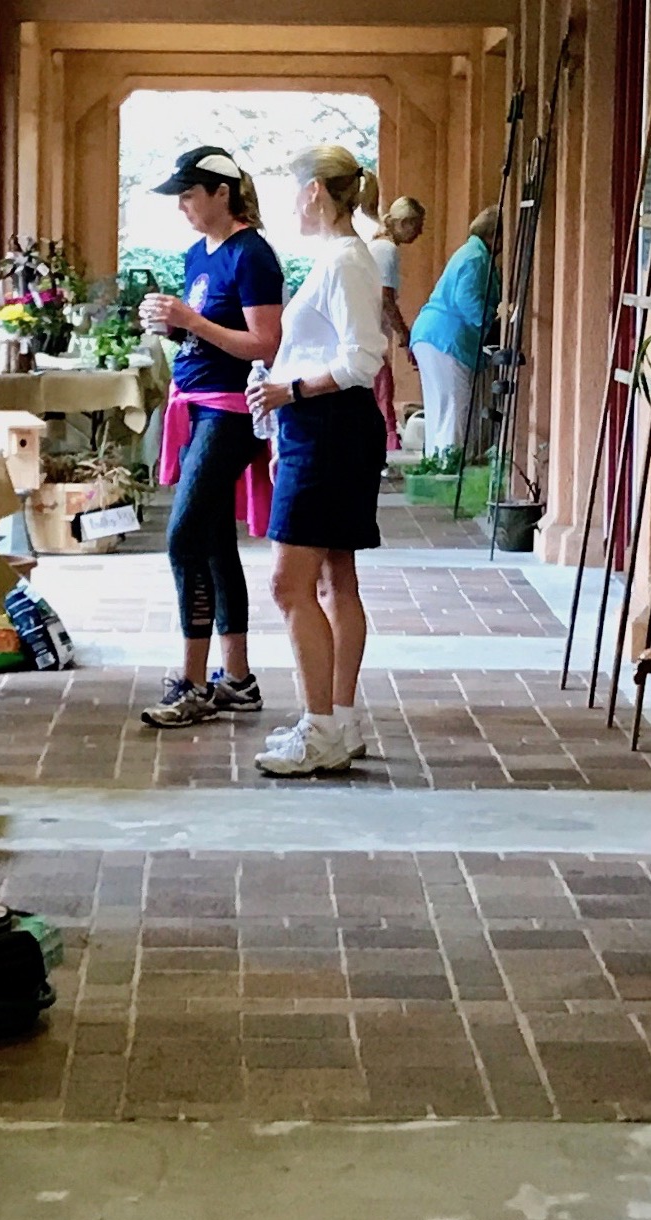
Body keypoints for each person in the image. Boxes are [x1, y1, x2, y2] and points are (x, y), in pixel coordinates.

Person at [245, 144, 389, 776]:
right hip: (320, 428)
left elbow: (362, 358)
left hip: (330, 429)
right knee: (334, 580)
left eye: (293, 189)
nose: (290, 202)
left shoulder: (347, 260)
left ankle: (322, 725)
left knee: (289, 585)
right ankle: (338, 720)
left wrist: (290, 392)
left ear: (314, 192)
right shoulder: (338, 257)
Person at [138, 145, 284, 729]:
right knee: (216, 540)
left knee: (185, 538)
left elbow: (265, 344)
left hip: (231, 410)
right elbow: (205, 334)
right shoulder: (198, 253)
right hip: (196, 403)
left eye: (189, 195)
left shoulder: (253, 255)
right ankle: (238, 678)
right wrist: (175, 329)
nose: (182, 207)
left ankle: (194, 682)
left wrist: (192, 321)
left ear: (223, 194)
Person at [410, 205, 500, 460]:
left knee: (440, 406)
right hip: (447, 338)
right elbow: (466, 299)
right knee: (456, 404)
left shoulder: (470, 252)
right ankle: (451, 463)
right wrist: (492, 317)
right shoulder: (476, 258)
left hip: (432, 335)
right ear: (494, 235)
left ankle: (438, 461)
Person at [366, 197, 427, 450]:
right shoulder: (386, 250)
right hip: (372, 333)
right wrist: (404, 334)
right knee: (382, 390)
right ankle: (386, 443)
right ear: (404, 223)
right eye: (417, 225)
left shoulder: (378, 246)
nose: (420, 232)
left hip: (371, 331)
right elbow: (386, 299)